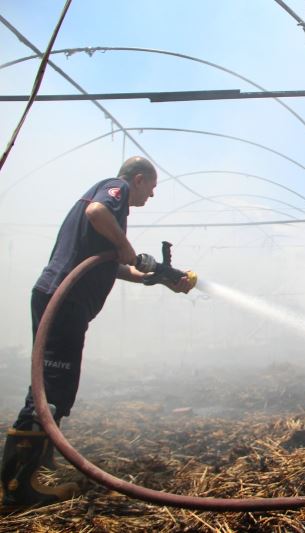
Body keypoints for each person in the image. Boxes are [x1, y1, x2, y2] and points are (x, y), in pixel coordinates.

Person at [1, 157, 194, 509]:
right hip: (64, 301)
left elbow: (114, 266)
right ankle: (19, 486)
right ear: (138, 180)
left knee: (53, 385)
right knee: (51, 389)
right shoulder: (113, 190)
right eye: (151, 189)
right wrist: (124, 242)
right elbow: (96, 213)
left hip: (62, 301)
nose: (151, 197)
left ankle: (36, 469)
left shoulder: (114, 206)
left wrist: (154, 279)